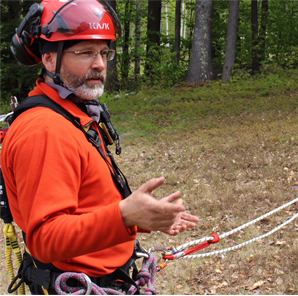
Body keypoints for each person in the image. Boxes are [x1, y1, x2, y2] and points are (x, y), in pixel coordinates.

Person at [1, 0, 200, 294]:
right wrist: (124, 216)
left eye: (104, 53)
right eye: (85, 53)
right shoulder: (45, 130)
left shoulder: (74, 113)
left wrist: (144, 217)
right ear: (48, 59)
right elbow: (45, 240)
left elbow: (88, 204)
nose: (99, 64)